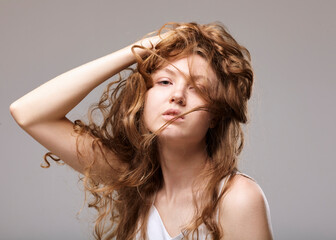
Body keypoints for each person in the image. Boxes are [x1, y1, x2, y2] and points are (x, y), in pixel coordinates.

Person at [10, 22, 273, 240]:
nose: (177, 96)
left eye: (198, 88)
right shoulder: (135, 181)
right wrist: (136, 51)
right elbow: (29, 113)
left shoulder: (237, 198)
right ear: (143, 97)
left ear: (215, 115)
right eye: (165, 81)